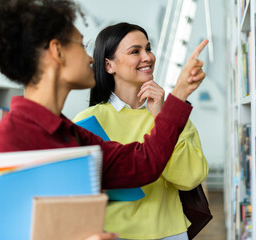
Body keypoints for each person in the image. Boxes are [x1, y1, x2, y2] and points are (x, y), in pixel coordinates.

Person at [0, 0, 207, 239]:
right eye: (80, 45)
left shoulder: (71, 135)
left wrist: (179, 94)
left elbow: (144, 163)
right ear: (57, 51)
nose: (90, 58)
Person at [74, 22, 209, 240]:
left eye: (148, 48)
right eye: (135, 51)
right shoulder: (89, 120)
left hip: (170, 232)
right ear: (109, 65)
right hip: (113, 233)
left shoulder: (171, 115)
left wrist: (161, 117)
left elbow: (190, 178)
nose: (147, 57)